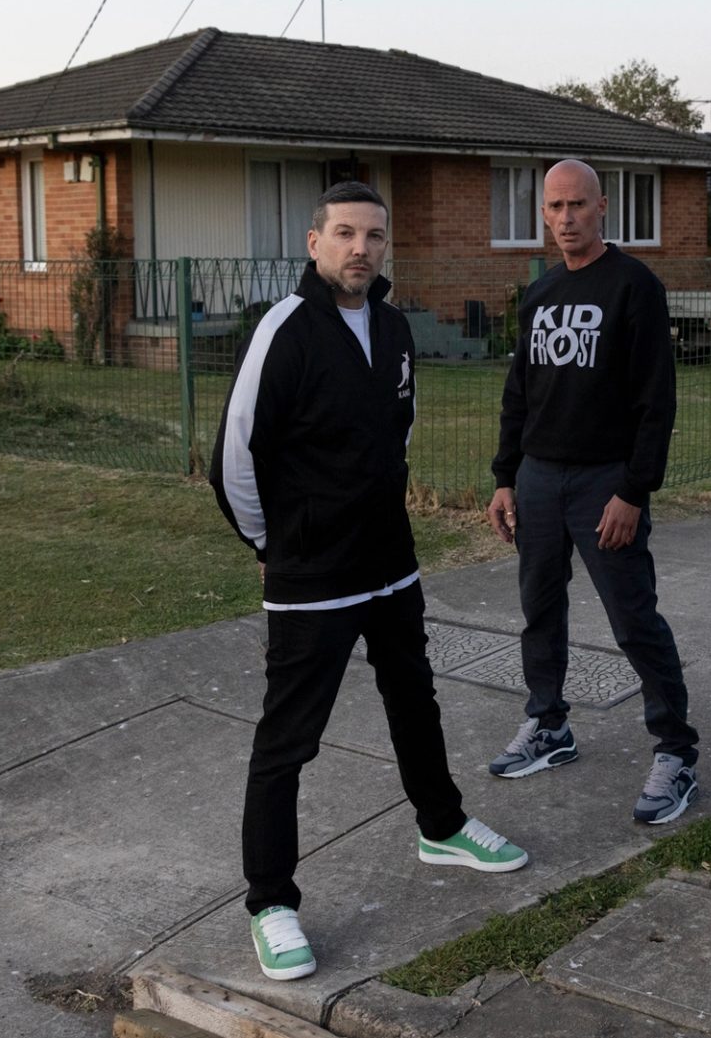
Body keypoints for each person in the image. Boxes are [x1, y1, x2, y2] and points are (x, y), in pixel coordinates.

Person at [211, 180, 529, 982]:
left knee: (414, 699)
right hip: (312, 577)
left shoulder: (391, 325)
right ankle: (271, 901)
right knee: (289, 739)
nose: (361, 248)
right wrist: (270, 540)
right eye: (345, 233)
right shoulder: (282, 330)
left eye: (374, 235)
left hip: (389, 563)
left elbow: (401, 424)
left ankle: (442, 825)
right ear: (314, 243)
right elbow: (233, 455)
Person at [485, 159, 700, 825]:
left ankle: (676, 750)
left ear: (603, 207)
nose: (566, 217)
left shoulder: (634, 285)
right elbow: (520, 392)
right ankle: (549, 724)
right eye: (554, 207)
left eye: (578, 204)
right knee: (539, 612)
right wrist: (504, 475)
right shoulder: (541, 293)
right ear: (543, 214)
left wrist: (634, 489)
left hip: (606, 481)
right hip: (539, 479)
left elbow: (655, 401)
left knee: (633, 617)